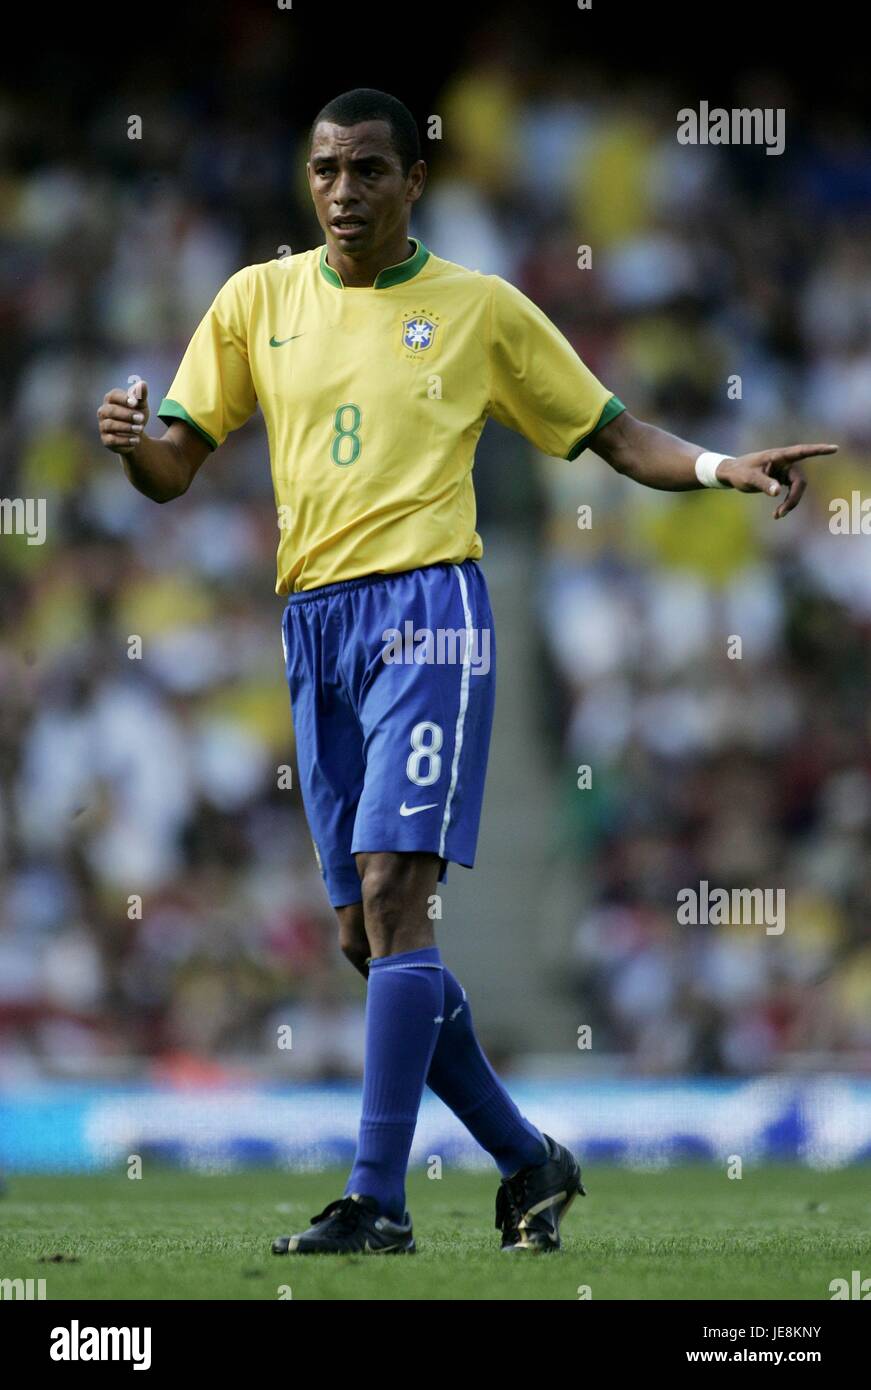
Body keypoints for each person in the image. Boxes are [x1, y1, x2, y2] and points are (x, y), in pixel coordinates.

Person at [98, 88, 836, 1255]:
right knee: (364, 935)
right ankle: (527, 1157)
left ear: (413, 183)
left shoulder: (479, 310)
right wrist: (138, 446)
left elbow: (607, 427)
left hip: (428, 611)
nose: (344, 193)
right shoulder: (254, 301)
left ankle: (376, 1202)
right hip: (312, 626)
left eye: (369, 172)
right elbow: (175, 469)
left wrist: (713, 466)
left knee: (399, 893)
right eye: (327, 170)